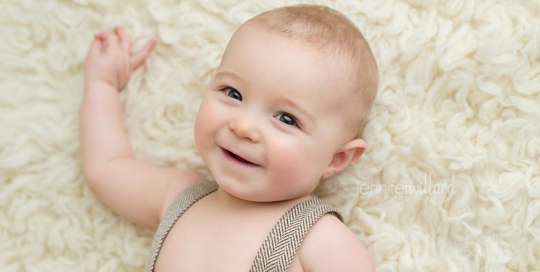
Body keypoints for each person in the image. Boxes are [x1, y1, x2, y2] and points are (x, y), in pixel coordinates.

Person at [81, 4, 378, 271]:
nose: (243, 125)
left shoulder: (322, 242)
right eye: (232, 93)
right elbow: (106, 166)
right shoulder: (179, 196)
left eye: (286, 119)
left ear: (337, 158)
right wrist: (102, 86)